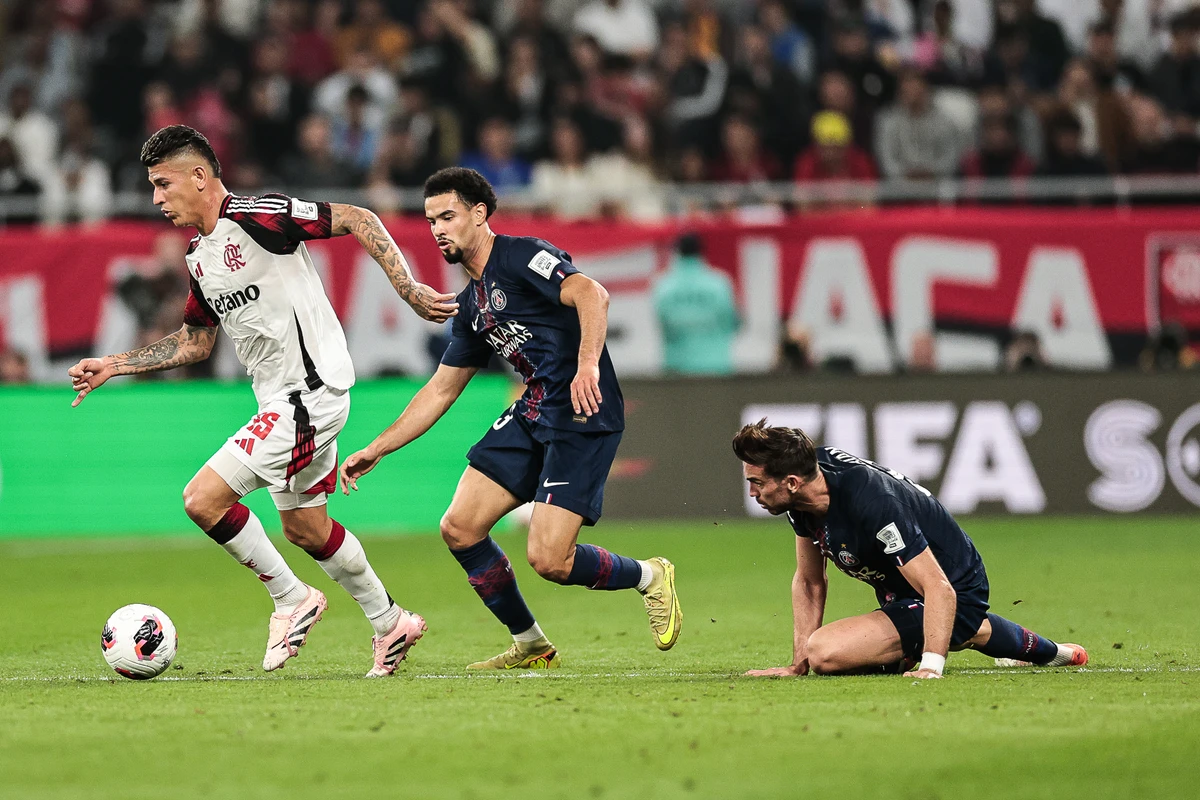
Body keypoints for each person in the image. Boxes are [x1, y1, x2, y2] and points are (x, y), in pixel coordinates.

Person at [67, 125, 458, 678]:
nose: (156, 199)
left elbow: (356, 217)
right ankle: (390, 621)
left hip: (309, 396)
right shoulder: (201, 257)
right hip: (283, 401)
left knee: (202, 499)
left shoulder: (256, 214)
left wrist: (409, 288)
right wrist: (116, 364)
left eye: (162, 184)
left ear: (200, 176)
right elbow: (196, 341)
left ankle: (292, 600)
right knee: (305, 529)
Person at [338, 167, 683, 669]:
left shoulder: (522, 256)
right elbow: (440, 389)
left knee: (550, 560)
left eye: (448, 216)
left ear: (479, 215)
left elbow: (593, 294)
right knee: (459, 526)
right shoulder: (473, 303)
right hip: (533, 412)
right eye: (431, 219)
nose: (437, 229)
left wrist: (588, 364)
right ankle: (531, 645)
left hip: (582, 415)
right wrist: (379, 446)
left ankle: (650, 575)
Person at [733, 420, 1088, 679]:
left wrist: (931, 667)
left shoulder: (870, 501)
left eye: (757, 483)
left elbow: (937, 586)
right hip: (904, 592)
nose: (752, 493)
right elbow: (810, 581)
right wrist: (796, 666)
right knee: (959, 631)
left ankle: (931, 641)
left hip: (952, 588)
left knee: (826, 651)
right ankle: (1054, 653)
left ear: (792, 483)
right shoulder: (807, 490)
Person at [652, 233, 739, 375]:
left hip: (676, 366)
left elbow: (662, 323)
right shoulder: (719, 283)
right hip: (716, 365)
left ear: (677, 252)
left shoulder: (663, 284)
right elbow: (734, 322)